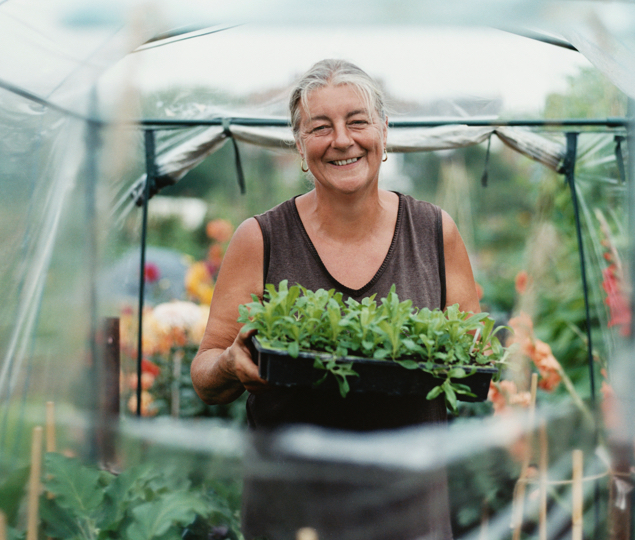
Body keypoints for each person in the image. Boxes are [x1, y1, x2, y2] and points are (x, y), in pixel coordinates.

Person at [191, 59, 481, 540]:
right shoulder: (260, 238)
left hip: (407, 511)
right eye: (320, 127)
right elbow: (205, 374)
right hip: (293, 514)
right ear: (300, 146)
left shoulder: (434, 232)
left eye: (358, 121)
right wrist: (228, 364)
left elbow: (472, 353)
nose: (342, 140)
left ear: (384, 133)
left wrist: (470, 354)